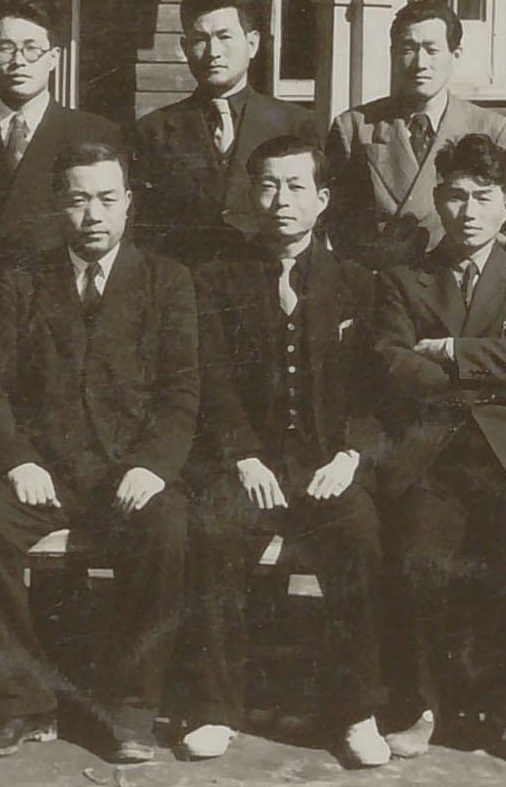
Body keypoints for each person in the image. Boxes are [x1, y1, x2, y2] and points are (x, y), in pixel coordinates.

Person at [0, 141, 199, 763]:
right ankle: (17, 703)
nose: (93, 215)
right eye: (79, 199)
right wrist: (16, 459)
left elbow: (181, 390)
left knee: (168, 528)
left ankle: (130, 711)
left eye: (107, 199)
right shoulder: (21, 280)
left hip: (127, 472)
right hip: (43, 472)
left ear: (129, 203)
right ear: (56, 205)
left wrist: (152, 465)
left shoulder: (167, 280)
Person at [181, 136, 390, 768]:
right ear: (252, 195)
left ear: (322, 199)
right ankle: (215, 708)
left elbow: (379, 391)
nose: (281, 200)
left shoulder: (359, 283)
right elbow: (211, 381)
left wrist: (351, 457)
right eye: (269, 186)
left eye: (297, 186)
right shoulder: (218, 279)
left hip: (327, 465)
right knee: (213, 530)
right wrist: (243, 455)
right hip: (251, 466)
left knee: (359, 534)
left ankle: (357, 711)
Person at [374, 134, 506, 765]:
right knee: (418, 558)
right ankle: (421, 707)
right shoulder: (405, 278)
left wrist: (452, 351)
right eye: (456, 196)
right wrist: (489, 372)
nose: (468, 211)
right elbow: (393, 363)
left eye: (484, 197)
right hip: (432, 451)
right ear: (437, 199)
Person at [131, 0, 317, 267]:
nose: (213, 51)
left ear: (252, 43)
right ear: (184, 47)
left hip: (267, 279)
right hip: (186, 284)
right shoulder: (153, 131)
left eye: (224, 36)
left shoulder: (294, 124)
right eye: (200, 39)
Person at [0, 0, 119, 278]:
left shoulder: (93, 133)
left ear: (54, 58)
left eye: (31, 49)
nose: (18, 61)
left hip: (55, 289)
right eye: (5, 49)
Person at [325, 0, 506, 270]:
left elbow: (504, 224)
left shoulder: (492, 128)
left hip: (453, 278)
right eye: (408, 49)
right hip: (379, 277)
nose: (420, 63)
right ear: (393, 54)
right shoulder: (355, 127)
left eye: (432, 49)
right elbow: (338, 224)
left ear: (455, 55)